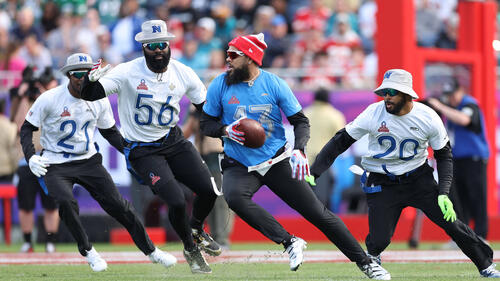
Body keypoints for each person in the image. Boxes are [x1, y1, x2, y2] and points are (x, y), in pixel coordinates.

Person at [199, 33, 390, 280]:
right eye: (228, 53)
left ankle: (366, 264)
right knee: (235, 197)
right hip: (240, 162)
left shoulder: (274, 83)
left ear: (250, 58)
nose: (228, 58)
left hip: (276, 160)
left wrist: (299, 149)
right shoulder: (220, 84)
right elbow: (206, 124)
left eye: (234, 54)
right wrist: (225, 130)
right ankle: (290, 242)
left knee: (318, 214)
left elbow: (300, 121)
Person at [309, 69, 500, 278]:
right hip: (382, 181)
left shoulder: (427, 117)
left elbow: (444, 156)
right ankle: (374, 256)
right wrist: (315, 172)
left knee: (453, 224)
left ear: (407, 94)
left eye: (392, 92)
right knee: (379, 240)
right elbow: (340, 141)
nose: (387, 97)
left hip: (419, 179)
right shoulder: (373, 113)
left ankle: (485, 264)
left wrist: (443, 192)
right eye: (384, 92)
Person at [80, 20, 221, 274]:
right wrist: (88, 83)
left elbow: (205, 109)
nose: (158, 50)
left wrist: (223, 131)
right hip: (143, 149)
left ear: (170, 45)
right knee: (177, 201)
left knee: (209, 190)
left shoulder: (183, 72)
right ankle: (190, 248)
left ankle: (197, 230)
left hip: (174, 140)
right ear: (143, 47)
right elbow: (90, 95)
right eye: (151, 45)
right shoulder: (126, 72)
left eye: (162, 45)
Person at [19, 53, 177, 272]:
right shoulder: (50, 98)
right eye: (77, 74)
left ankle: (152, 251)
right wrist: (31, 157)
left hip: (88, 160)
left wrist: (134, 153)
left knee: (119, 206)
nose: (82, 79)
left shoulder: (98, 99)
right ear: (68, 75)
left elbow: (110, 133)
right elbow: (27, 129)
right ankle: (88, 251)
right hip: (55, 162)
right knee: (66, 202)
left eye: (87, 74)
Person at [427, 78, 490, 239]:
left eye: (453, 94)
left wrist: (441, 106)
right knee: (458, 199)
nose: (452, 98)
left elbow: (465, 119)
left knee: (476, 197)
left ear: (461, 91)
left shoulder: (469, 104)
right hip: (456, 159)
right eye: (449, 95)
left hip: (474, 158)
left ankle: (481, 235)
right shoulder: (451, 107)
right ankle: (464, 236)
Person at [9, 66, 60, 253]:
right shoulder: (21, 101)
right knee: (26, 204)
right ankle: (28, 241)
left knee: (51, 204)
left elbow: (53, 119)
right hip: (26, 160)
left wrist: (43, 95)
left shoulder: (52, 99)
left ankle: (50, 241)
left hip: (48, 158)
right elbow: (19, 124)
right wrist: (24, 96)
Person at [183, 105, 234, 249]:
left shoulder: (221, 103)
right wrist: (194, 116)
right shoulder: (194, 108)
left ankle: (222, 239)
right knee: (207, 197)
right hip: (201, 156)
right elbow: (185, 132)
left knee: (222, 200)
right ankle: (213, 237)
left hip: (219, 154)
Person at [304, 88, 346, 209]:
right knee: (325, 198)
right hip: (325, 162)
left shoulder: (306, 113)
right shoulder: (335, 115)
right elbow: (342, 139)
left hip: (306, 162)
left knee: (308, 198)